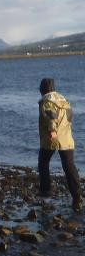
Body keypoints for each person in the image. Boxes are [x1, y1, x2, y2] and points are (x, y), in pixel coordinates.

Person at [38, 78, 82, 211]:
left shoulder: (47, 100)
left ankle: (46, 190)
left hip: (52, 137)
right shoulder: (64, 100)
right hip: (67, 137)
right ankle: (77, 196)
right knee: (69, 166)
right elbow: (70, 117)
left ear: (42, 89)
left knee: (43, 162)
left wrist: (52, 130)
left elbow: (50, 115)